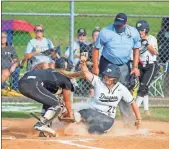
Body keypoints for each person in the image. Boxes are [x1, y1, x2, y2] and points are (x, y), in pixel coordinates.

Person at [72, 54, 141, 134]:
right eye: (105, 76)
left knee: (92, 131)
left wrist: (138, 118)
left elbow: (132, 102)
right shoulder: (98, 82)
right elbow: (86, 72)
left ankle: (100, 131)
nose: (106, 78)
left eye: (109, 76)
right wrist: (83, 62)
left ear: (116, 78)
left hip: (107, 119)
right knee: (76, 115)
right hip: (91, 112)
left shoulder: (121, 89)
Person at [92, 13, 141, 123]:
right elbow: (96, 49)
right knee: (103, 89)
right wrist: (96, 66)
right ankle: (98, 116)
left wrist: (135, 67)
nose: (118, 27)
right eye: (116, 24)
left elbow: (136, 49)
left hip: (124, 64)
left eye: (120, 25)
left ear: (126, 23)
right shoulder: (106, 32)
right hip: (107, 63)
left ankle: (127, 121)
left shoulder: (133, 33)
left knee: (123, 90)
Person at [18, 58, 77, 136]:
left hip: (22, 83)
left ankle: (44, 130)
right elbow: (67, 101)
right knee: (58, 104)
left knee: (51, 102)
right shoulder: (65, 80)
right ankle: (41, 124)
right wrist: (70, 114)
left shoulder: (49, 72)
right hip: (33, 83)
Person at [135, 20, 158, 115]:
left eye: (142, 30)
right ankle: (146, 110)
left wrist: (146, 44)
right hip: (141, 65)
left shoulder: (152, 38)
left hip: (151, 65)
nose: (140, 32)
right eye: (139, 30)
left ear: (146, 30)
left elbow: (155, 52)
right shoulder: (136, 40)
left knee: (143, 87)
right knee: (144, 88)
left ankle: (134, 110)